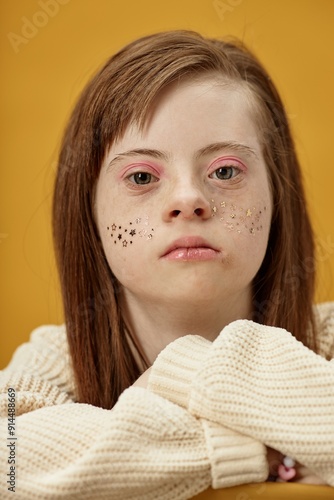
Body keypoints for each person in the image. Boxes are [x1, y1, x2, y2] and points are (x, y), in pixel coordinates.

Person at [1, 30, 333, 499]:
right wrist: (265, 451)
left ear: (277, 195)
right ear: (89, 214)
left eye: (225, 171)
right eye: (141, 176)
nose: (188, 199)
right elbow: (7, 462)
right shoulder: (52, 365)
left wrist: (182, 371)